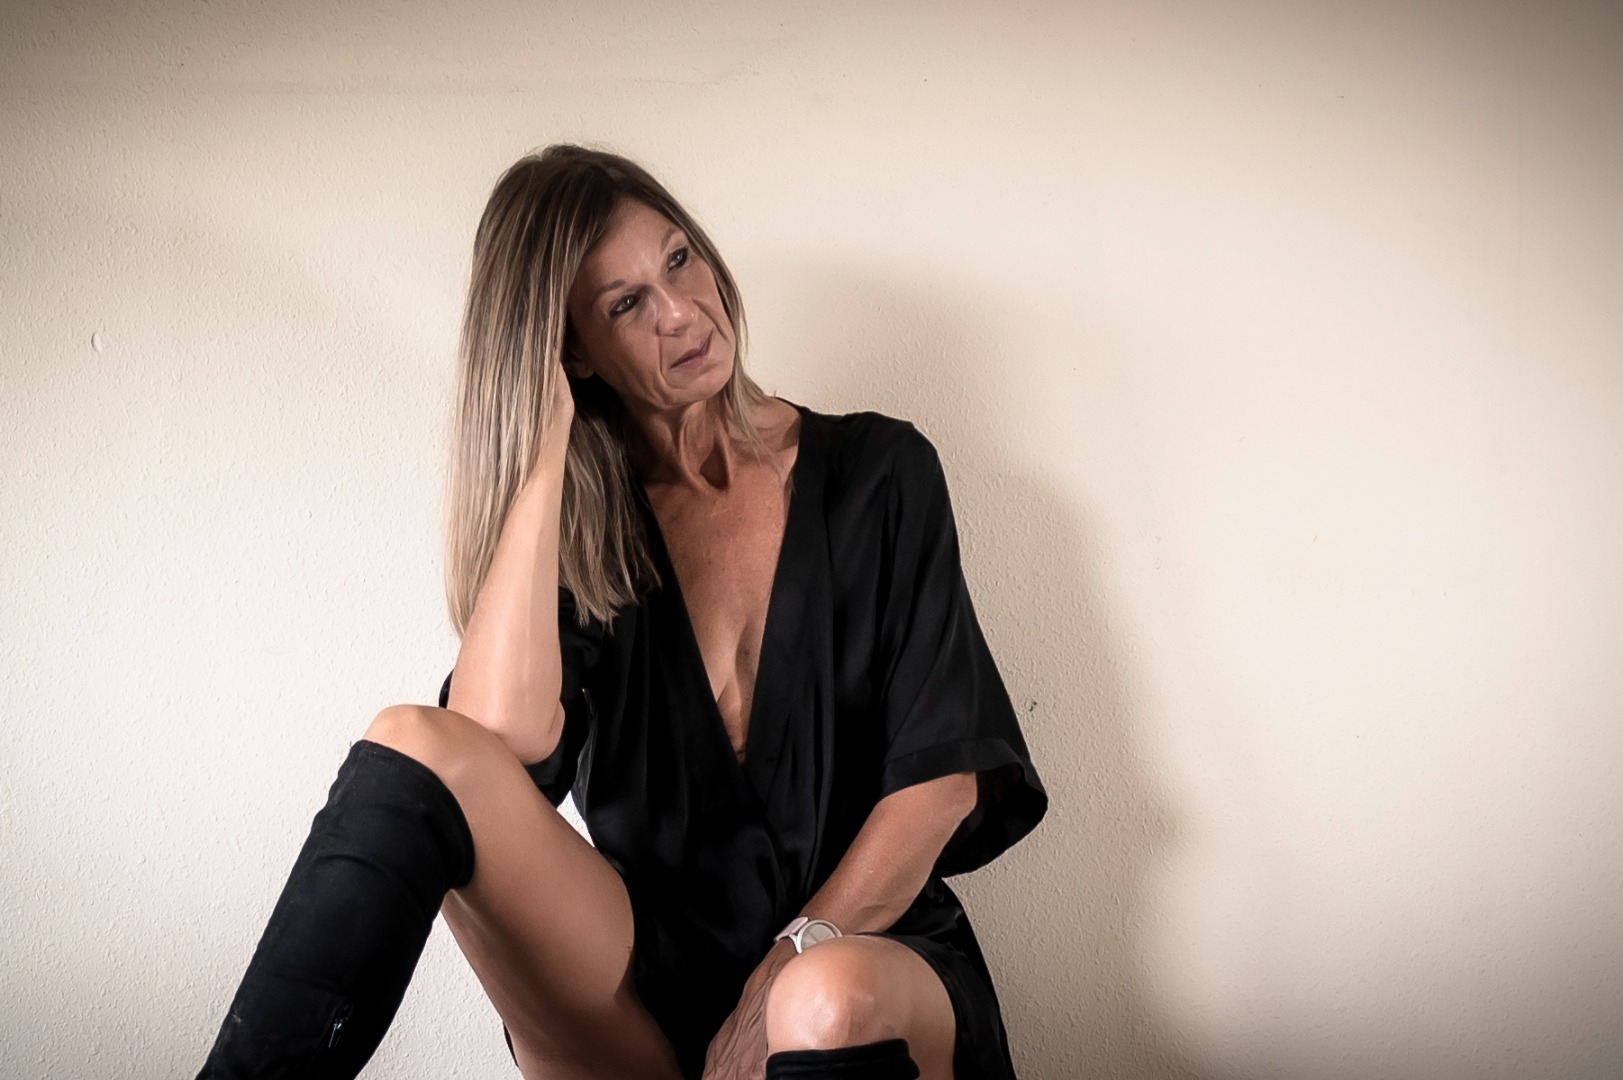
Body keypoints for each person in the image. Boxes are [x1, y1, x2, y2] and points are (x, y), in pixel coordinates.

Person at [197, 145, 1047, 1080]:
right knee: (415, 740)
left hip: (860, 954)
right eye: (625, 304)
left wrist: (785, 964)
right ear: (570, 353)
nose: (680, 312)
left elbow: (942, 782)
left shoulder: (880, 473)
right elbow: (489, 747)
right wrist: (541, 451)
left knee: (821, 998)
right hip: (649, 988)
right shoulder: (586, 541)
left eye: (678, 260)